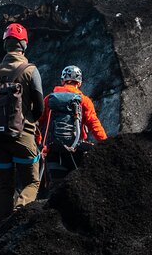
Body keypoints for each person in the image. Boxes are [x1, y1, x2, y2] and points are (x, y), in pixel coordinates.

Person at [0, 23, 45, 222]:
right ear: (24, 45)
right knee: (32, 182)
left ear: (5, 45)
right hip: (23, 137)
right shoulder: (30, 71)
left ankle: (2, 228)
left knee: (5, 186)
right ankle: (21, 212)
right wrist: (31, 122)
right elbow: (39, 106)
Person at [38, 65, 107, 193]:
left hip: (53, 150)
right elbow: (94, 124)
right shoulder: (84, 101)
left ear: (62, 81)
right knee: (77, 187)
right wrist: (106, 143)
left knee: (56, 188)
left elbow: (39, 123)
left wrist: (40, 143)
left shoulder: (49, 99)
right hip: (76, 150)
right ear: (79, 83)